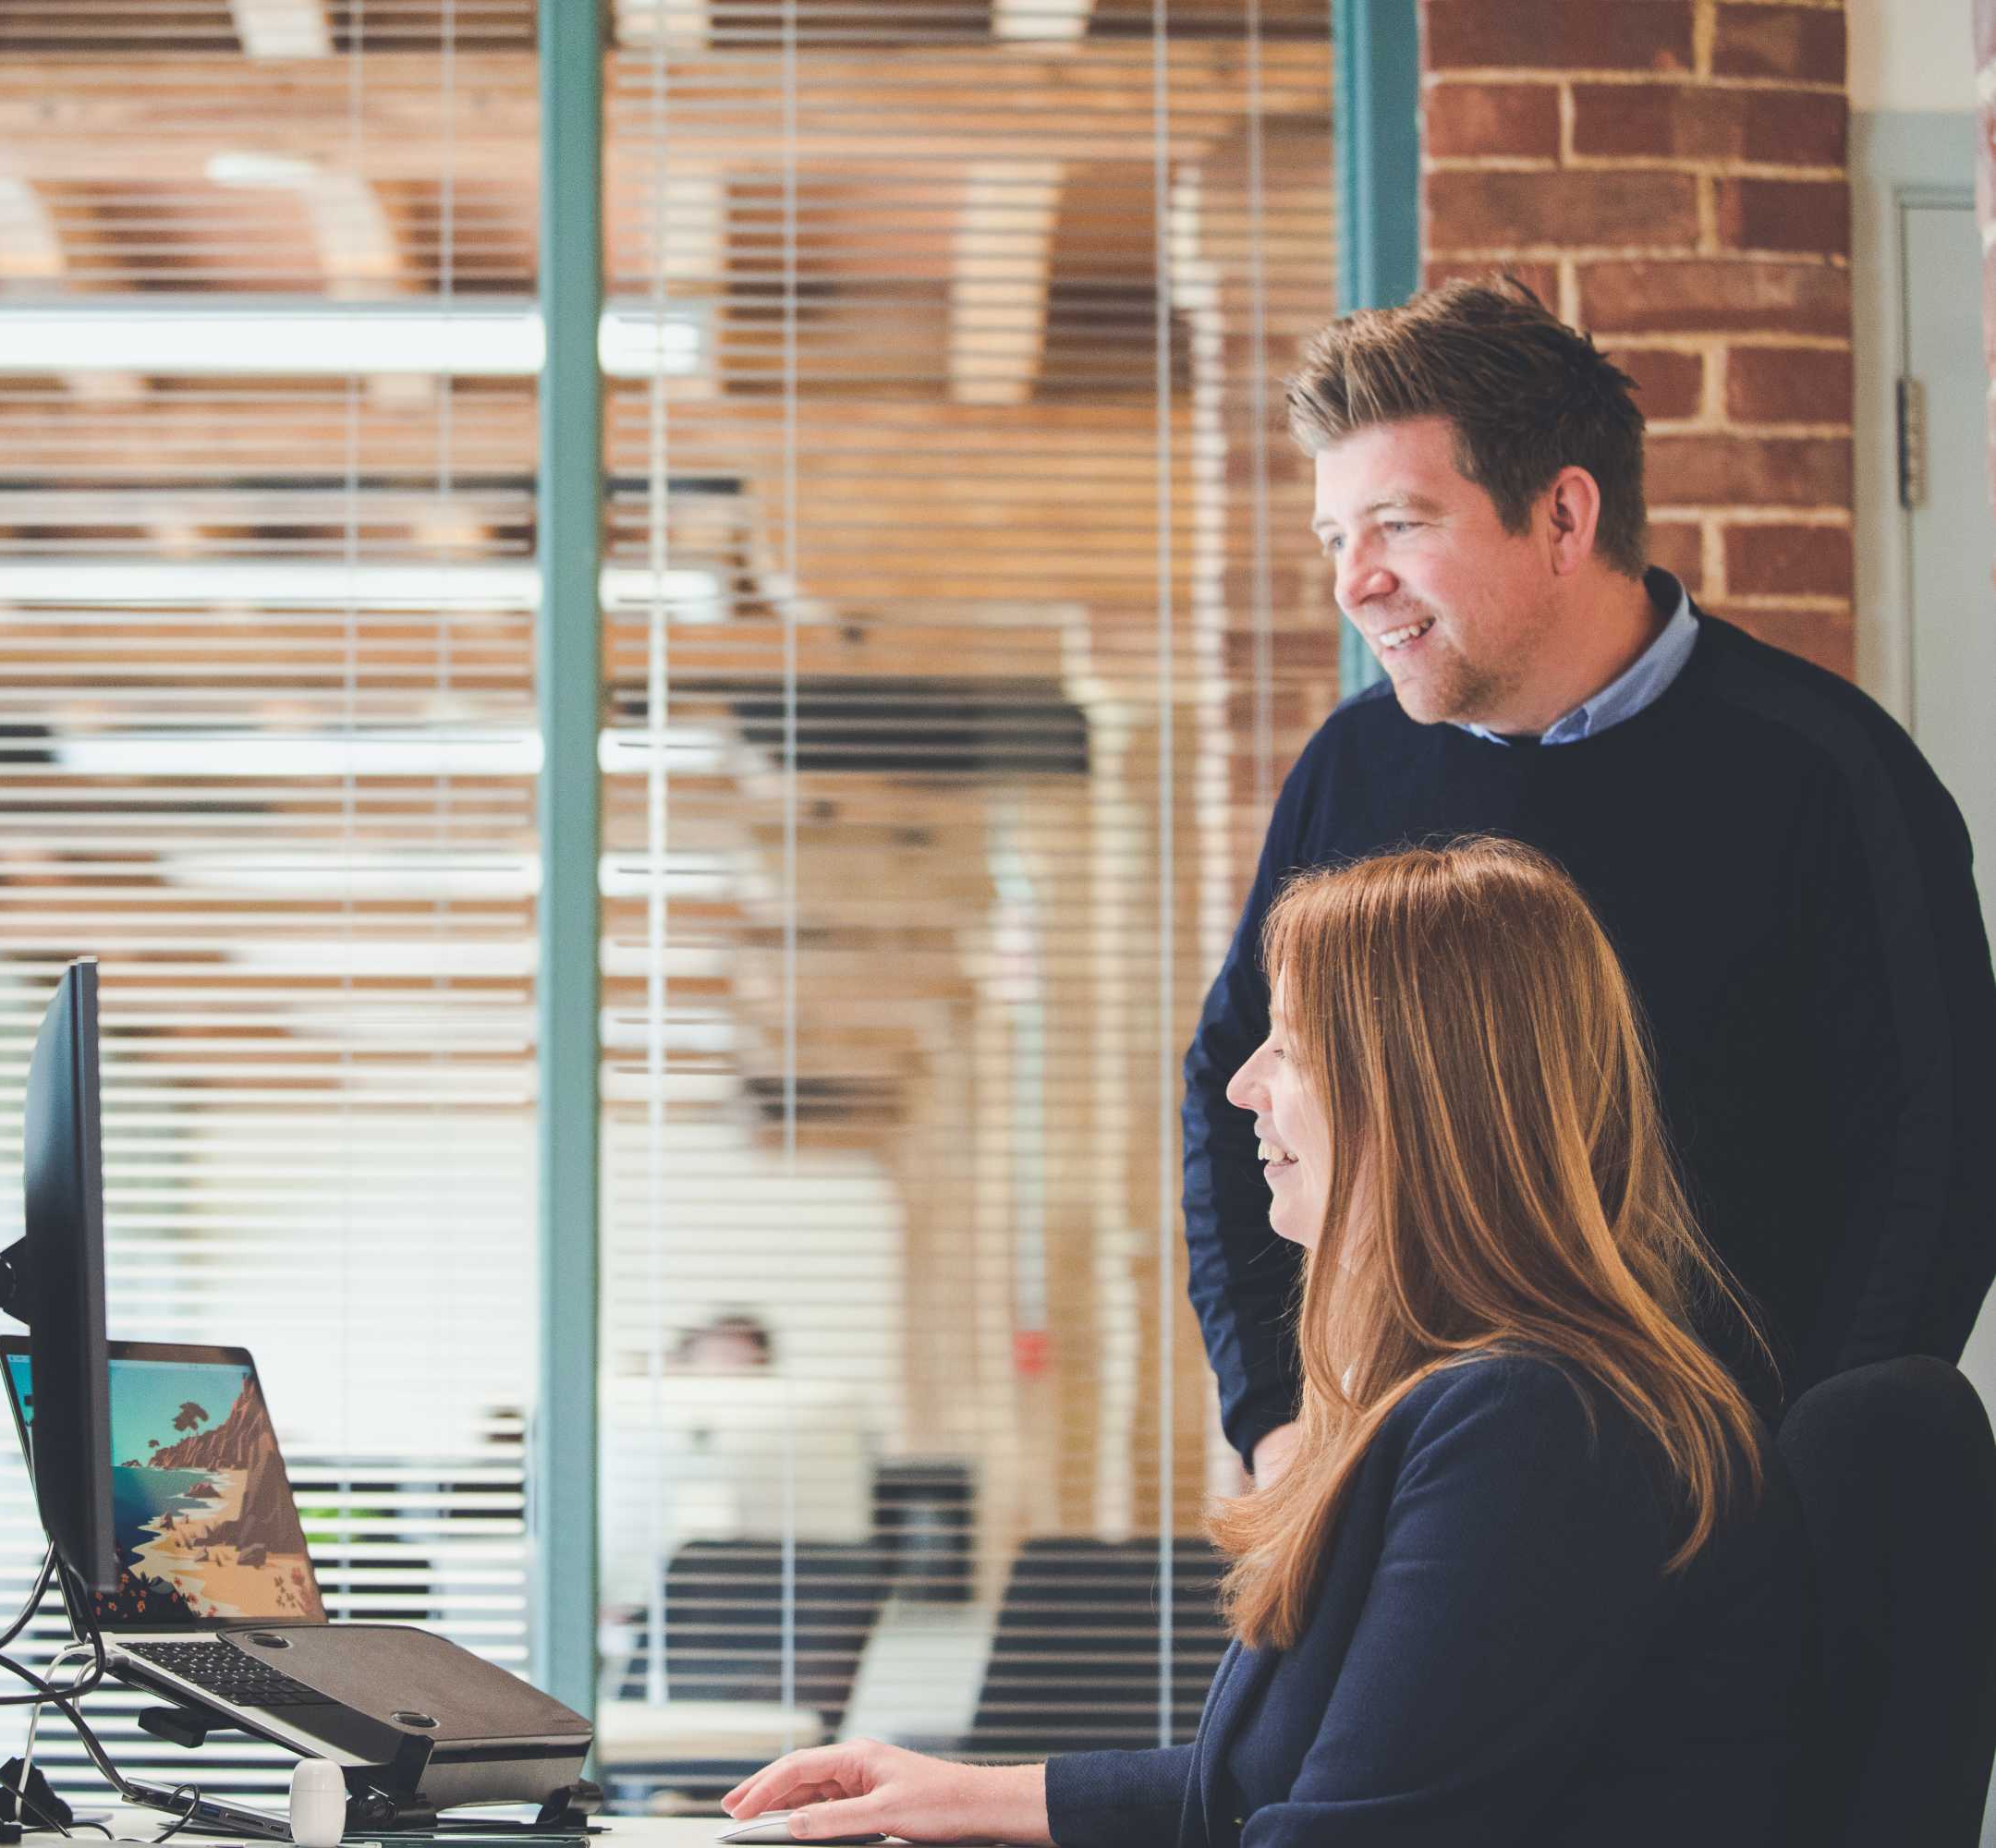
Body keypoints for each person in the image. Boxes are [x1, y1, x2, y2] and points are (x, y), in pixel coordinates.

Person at [722, 840, 1808, 1846]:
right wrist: (959, 1792)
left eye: (1288, 1044)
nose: (1244, 1085)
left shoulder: (1531, 1426)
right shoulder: (1483, 1398)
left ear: (1417, 1091)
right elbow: (1263, 1782)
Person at [1186, 276, 1996, 1488]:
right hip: (1417, 1503)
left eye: (1398, 524)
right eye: (1332, 538)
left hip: (1725, 1522)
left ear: (1561, 516)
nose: (1351, 581)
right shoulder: (1349, 769)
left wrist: (1797, 1486)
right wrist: (1271, 1418)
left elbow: (1935, 1159)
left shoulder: (1825, 772)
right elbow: (1233, 1084)